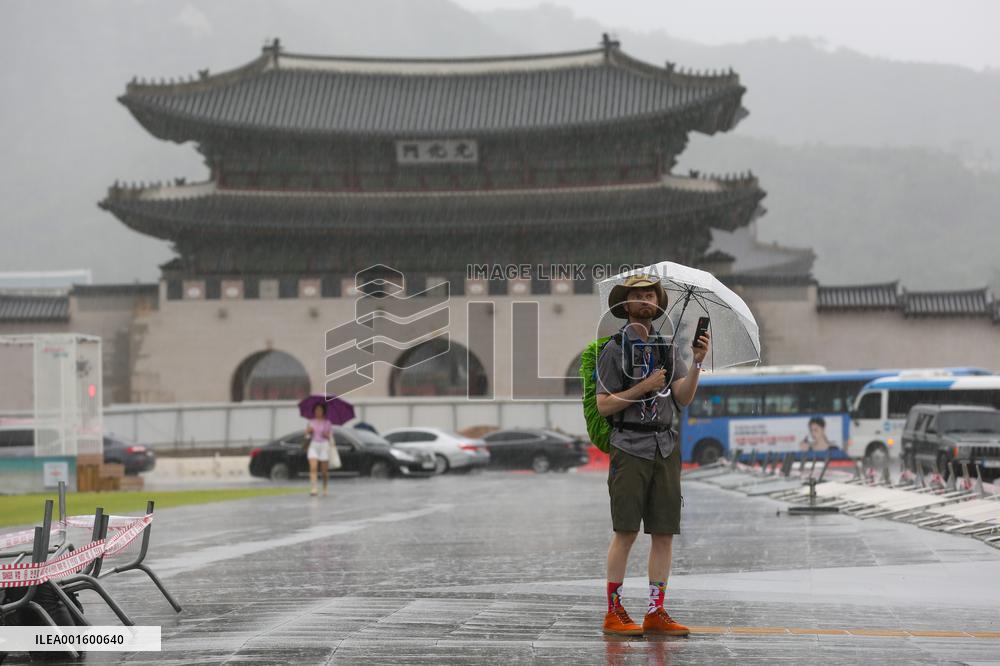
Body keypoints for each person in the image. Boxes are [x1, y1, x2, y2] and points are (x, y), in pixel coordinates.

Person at [595, 274, 710, 637]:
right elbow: (603, 405)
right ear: (625, 305)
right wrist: (643, 386)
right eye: (638, 296)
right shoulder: (613, 349)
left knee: (664, 533)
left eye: (650, 295)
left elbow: (683, 397)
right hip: (630, 446)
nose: (645, 301)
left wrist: (695, 363)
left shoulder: (667, 347)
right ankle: (614, 611)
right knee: (626, 531)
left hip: (666, 446)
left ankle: (655, 611)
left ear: (657, 304)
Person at [305, 403, 334, 496]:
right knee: (313, 468)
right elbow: (306, 435)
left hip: (324, 446)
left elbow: (330, 436)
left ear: (323, 411)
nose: (318, 412)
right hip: (313, 445)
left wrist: (326, 434)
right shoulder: (311, 422)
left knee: (324, 471)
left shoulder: (327, 422)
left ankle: (325, 487)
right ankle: (314, 488)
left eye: (320, 410)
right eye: (316, 410)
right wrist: (308, 431)